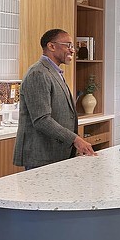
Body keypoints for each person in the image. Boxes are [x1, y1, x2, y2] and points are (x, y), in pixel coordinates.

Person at [14, 28, 96, 170]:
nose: (73, 50)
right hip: (42, 156)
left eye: (73, 46)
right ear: (51, 46)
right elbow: (41, 120)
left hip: (56, 154)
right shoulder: (38, 73)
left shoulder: (54, 72)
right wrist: (75, 139)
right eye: (68, 45)